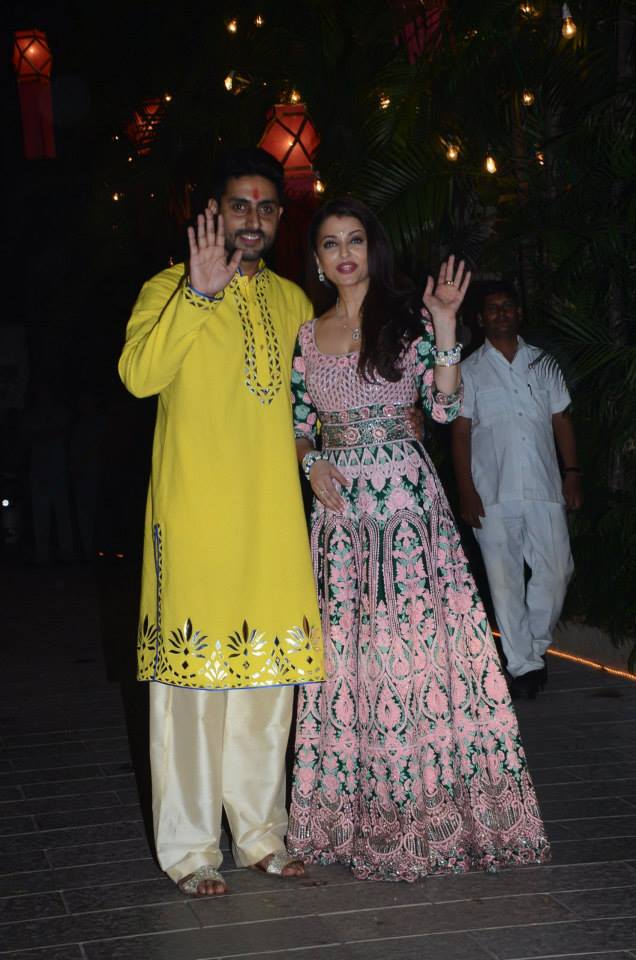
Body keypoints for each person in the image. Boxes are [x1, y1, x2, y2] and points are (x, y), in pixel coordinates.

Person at [286, 198, 549, 882]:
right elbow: (297, 418)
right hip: (341, 517)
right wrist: (311, 461)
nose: (344, 253)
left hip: (406, 505)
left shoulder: (405, 323)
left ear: (374, 250)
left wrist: (444, 326)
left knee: (417, 652)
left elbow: (442, 407)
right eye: (330, 243)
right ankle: (349, 817)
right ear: (316, 259)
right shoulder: (308, 337)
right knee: (352, 659)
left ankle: (435, 809)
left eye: (355, 240)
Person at [118, 148, 325, 897]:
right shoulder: (166, 289)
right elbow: (138, 376)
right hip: (196, 518)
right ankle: (190, 849)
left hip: (272, 523)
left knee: (269, 686)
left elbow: (319, 404)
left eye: (267, 207)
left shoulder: (295, 303)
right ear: (209, 213)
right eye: (240, 205)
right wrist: (198, 298)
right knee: (194, 691)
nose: (255, 219)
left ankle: (262, 834)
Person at [451, 282, 582, 698]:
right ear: (480, 318)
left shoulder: (544, 364)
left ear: (519, 313)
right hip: (492, 491)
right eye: (492, 308)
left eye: (508, 306)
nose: (501, 313)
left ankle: (533, 647)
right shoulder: (468, 371)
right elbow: (460, 434)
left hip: (543, 485)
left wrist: (572, 471)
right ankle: (524, 667)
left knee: (558, 569)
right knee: (504, 581)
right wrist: (466, 492)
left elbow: (561, 419)